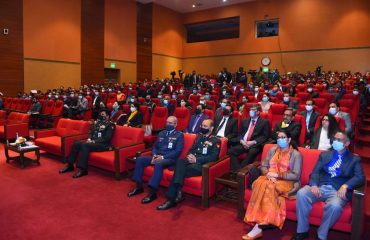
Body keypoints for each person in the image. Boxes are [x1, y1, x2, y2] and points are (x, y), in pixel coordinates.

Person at [292, 131, 365, 240]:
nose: (335, 142)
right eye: (334, 139)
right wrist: (314, 185)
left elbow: (360, 177)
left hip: (337, 191)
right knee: (302, 194)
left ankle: (321, 234)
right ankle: (302, 230)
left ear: (347, 143)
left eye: (339, 140)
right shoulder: (325, 155)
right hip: (320, 186)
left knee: (335, 206)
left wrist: (346, 185)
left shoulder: (354, 159)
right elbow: (315, 172)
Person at [242, 130, 303, 240]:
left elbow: (296, 175)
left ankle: (260, 226)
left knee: (269, 186)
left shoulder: (296, 154)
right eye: (279, 137)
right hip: (270, 177)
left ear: (289, 140)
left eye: (283, 137)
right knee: (258, 183)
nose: (280, 139)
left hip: (287, 181)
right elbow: (264, 166)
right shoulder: (272, 150)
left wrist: (277, 175)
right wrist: (268, 174)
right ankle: (261, 222)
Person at [156, 119, 221, 210]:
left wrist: (196, 159)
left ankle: (171, 198)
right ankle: (178, 191)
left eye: (205, 126)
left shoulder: (216, 141)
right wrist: (190, 156)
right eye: (202, 125)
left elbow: (214, 157)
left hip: (200, 165)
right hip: (190, 161)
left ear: (211, 128)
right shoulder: (199, 136)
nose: (202, 127)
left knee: (179, 170)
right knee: (180, 161)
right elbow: (191, 149)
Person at [127, 116, 184, 204]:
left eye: (170, 123)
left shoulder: (179, 135)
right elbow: (155, 147)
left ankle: (152, 192)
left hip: (170, 158)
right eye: (167, 122)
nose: (168, 124)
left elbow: (178, 151)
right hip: (157, 156)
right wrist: (154, 155)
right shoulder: (161, 133)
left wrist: (162, 157)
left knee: (158, 163)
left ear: (175, 124)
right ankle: (138, 186)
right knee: (140, 160)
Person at [59, 109, 116, 178]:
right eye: (101, 114)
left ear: (107, 116)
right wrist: (89, 138)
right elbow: (92, 132)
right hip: (93, 143)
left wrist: (94, 141)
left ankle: (83, 169)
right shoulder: (98, 123)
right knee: (76, 143)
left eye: (103, 114)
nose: (101, 115)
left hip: (103, 145)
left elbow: (107, 138)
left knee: (85, 145)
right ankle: (70, 165)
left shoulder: (111, 125)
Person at [228, 104, 271, 175]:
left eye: (253, 110)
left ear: (258, 112)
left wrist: (253, 142)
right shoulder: (245, 120)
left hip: (255, 145)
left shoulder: (264, 122)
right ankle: (238, 171)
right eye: (250, 110)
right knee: (231, 151)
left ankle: (239, 172)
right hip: (243, 143)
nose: (251, 111)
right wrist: (242, 141)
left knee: (251, 153)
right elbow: (240, 134)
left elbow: (265, 136)